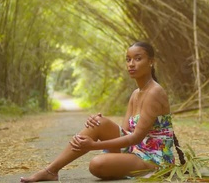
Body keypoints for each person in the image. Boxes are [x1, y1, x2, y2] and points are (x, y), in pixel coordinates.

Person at [20, 42, 185, 182]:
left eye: (138, 58)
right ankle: (51, 170)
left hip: (154, 159)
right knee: (99, 122)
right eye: (128, 60)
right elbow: (126, 132)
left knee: (97, 164)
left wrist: (94, 146)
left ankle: (56, 170)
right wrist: (99, 122)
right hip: (136, 150)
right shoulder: (136, 93)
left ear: (151, 62)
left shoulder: (155, 92)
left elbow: (135, 137)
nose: (131, 64)